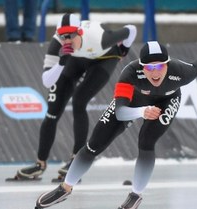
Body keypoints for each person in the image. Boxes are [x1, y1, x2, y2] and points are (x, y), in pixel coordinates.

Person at [26, 41, 197, 209]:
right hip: (134, 102)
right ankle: (65, 188)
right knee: (93, 145)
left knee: (146, 142)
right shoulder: (130, 73)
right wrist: (142, 111)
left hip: (167, 101)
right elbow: (121, 112)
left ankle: (136, 194)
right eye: (149, 68)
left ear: (168, 65)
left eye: (160, 67)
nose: (155, 73)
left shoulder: (182, 72)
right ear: (141, 67)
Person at [9, 13, 137, 181]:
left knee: (79, 101)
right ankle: (40, 163)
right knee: (52, 111)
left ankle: (77, 160)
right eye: (63, 36)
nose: (67, 40)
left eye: (71, 35)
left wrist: (123, 50)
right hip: (74, 59)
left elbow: (131, 30)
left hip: (103, 58)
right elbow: (47, 81)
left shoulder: (102, 38)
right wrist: (62, 62)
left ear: (80, 32)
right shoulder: (57, 44)